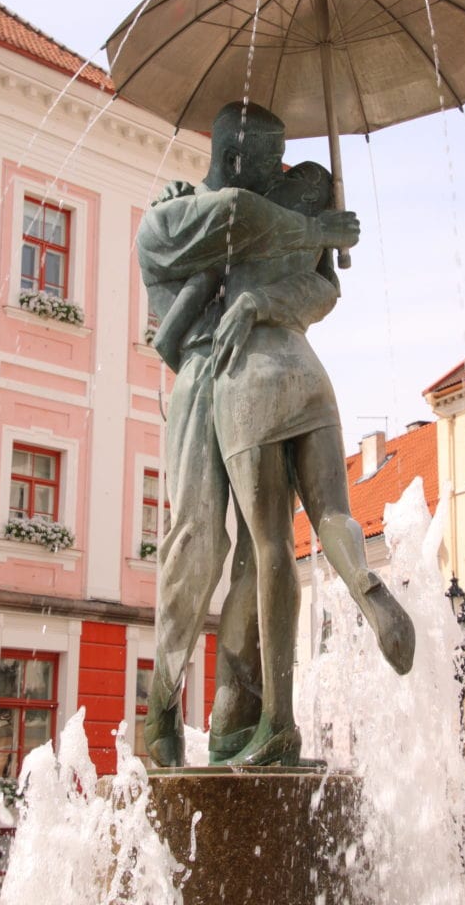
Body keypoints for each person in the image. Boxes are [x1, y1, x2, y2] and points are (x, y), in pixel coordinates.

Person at [137, 102, 358, 767]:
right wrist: (315, 226)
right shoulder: (171, 217)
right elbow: (236, 215)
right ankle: (162, 701)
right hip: (202, 374)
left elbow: (317, 289)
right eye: (270, 158)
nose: (280, 169)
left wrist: (320, 255)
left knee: (261, 555)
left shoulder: (269, 209)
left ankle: (238, 714)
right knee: (198, 540)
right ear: (235, 157)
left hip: (259, 369)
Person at [209, 158, 415, 766]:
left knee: (271, 547)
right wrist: (326, 235)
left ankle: (278, 720)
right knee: (332, 513)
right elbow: (323, 292)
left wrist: (249, 302)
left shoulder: (248, 212)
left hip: (251, 381)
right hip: (309, 376)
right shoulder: (319, 252)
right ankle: (366, 585)